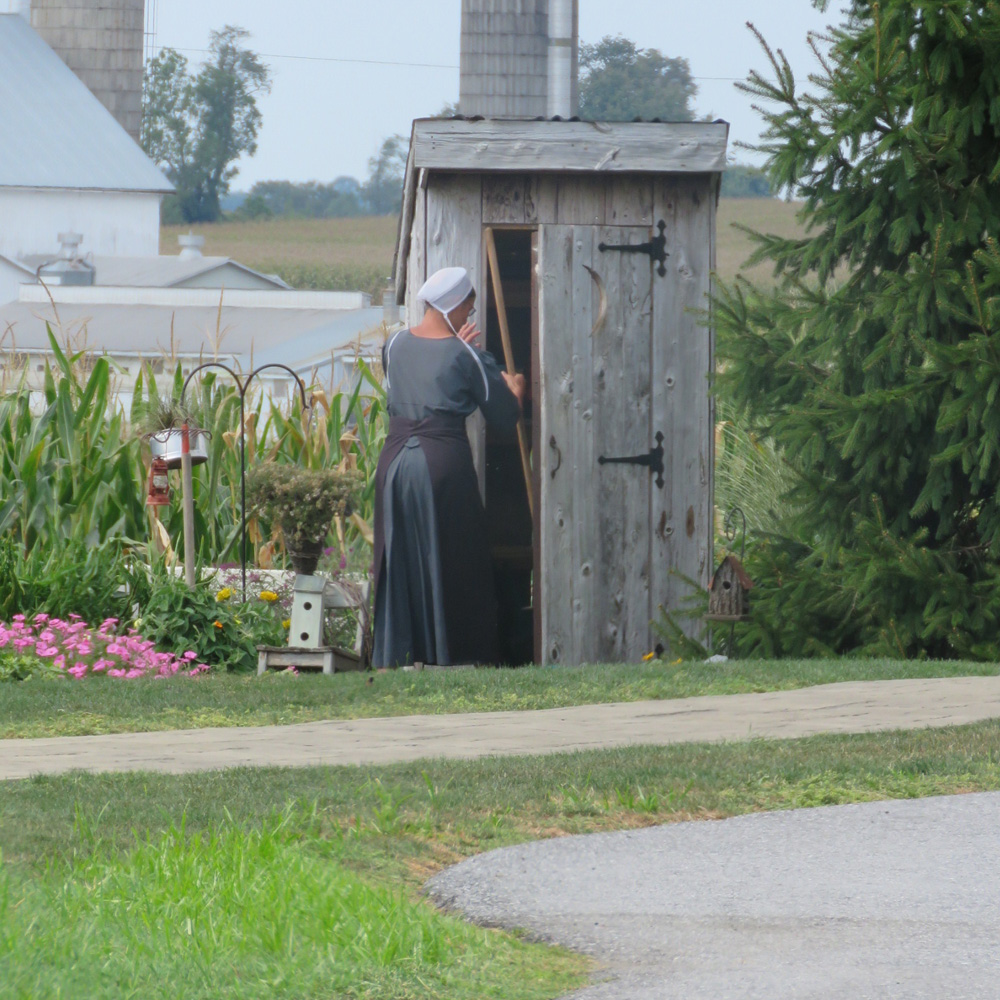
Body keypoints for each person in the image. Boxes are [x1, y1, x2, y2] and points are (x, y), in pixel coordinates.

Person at [372, 266, 526, 667]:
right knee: (453, 555)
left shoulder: (393, 344)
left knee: (401, 552)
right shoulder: (468, 356)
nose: (468, 320)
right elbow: (506, 416)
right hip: (442, 462)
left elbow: (411, 383)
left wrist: (466, 353)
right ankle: (451, 654)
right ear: (453, 306)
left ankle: (399, 654)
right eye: (468, 311)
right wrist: (514, 388)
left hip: (393, 462)